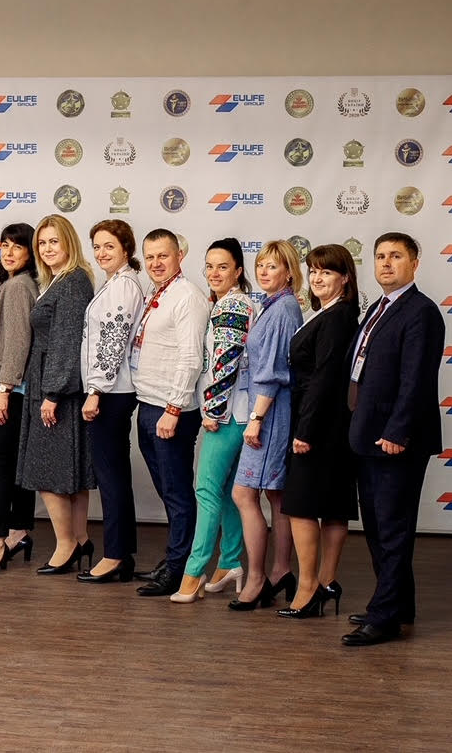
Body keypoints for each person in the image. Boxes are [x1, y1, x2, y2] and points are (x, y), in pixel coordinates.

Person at [342, 233, 444, 646]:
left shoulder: (422, 312)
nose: (386, 263)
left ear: (414, 264)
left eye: (396, 256)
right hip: (368, 434)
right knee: (379, 527)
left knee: (392, 529)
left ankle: (384, 617)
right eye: (380, 256)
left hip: (395, 439)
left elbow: (416, 379)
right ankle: (398, 605)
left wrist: (397, 431)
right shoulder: (377, 308)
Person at [170, 239, 254, 602]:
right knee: (228, 492)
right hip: (238, 412)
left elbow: (226, 361)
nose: (214, 273)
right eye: (209, 266)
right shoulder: (225, 303)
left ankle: (193, 573)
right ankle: (231, 562)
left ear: (238, 271)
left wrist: (213, 410)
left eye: (223, 267)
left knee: (205, 490)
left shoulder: (233, 304)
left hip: (228, 414)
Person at [279, 244, 360, 619]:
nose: (317, 278)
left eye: (326, 272)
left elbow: (324, 378)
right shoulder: (329, 313)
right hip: (330, 424)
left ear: (345, 278)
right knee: (332, 505)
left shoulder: (337, 317)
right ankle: (327, 583)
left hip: (319, 425)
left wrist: (305, 430)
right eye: (313, 271)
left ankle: (309, 586)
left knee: (301, 506)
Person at [130, 228, 210, 596]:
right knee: (167, 490)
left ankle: (181, 569)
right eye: (149, 257)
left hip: (171, 409)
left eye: (163, 255)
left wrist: (174, 407)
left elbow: (191, 357)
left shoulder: (187, 296)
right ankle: (176, 557)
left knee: (177, 492)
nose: (155, 263)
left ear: (180, 255)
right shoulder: (156, 293)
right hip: (149, 403)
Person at [16, 215, 95, 575]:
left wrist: (53, 393)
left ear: (69, 244)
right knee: (69, 473)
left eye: (54, 242)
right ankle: (79, 539)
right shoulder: (58, 281)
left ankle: (66, 544)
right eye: (42, 243)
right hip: (51, 384)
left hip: (57, 389)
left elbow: (66, 342)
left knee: (49, 472)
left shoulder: (73, 282)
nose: (47, 249)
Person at [229, 241, 304, 611]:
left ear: (289, 272)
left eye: (273, 266)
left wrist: (256, 419)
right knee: (276, 496)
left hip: (271, 412)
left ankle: (258, 577)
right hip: (272, 409)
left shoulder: (283, 310)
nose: (263, 271)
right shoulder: (274, 305)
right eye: (260, 265)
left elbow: (273, 373)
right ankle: (280, 571)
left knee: (244, 494)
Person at [77, 220, 146, 584]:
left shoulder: (124, 286)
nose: (101, 253)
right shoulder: (115, 282)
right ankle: (121, 553)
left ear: (126, 249)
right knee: (113, 474)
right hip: (109, 390)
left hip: (111, 392)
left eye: (109, 246)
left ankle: (115, 555)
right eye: (97, 246)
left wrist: (96, 391)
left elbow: (114, 340)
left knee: (110, 476)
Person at [0, 223, 39, 575]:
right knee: (13, 463)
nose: (9, 252)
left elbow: (17, 342)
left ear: (30, 252)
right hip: (13, 389)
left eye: (18, 246)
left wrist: (4, 390)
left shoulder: (17, 287)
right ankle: (19, 530)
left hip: (12, 390)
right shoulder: (12, 284)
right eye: (5, 245)